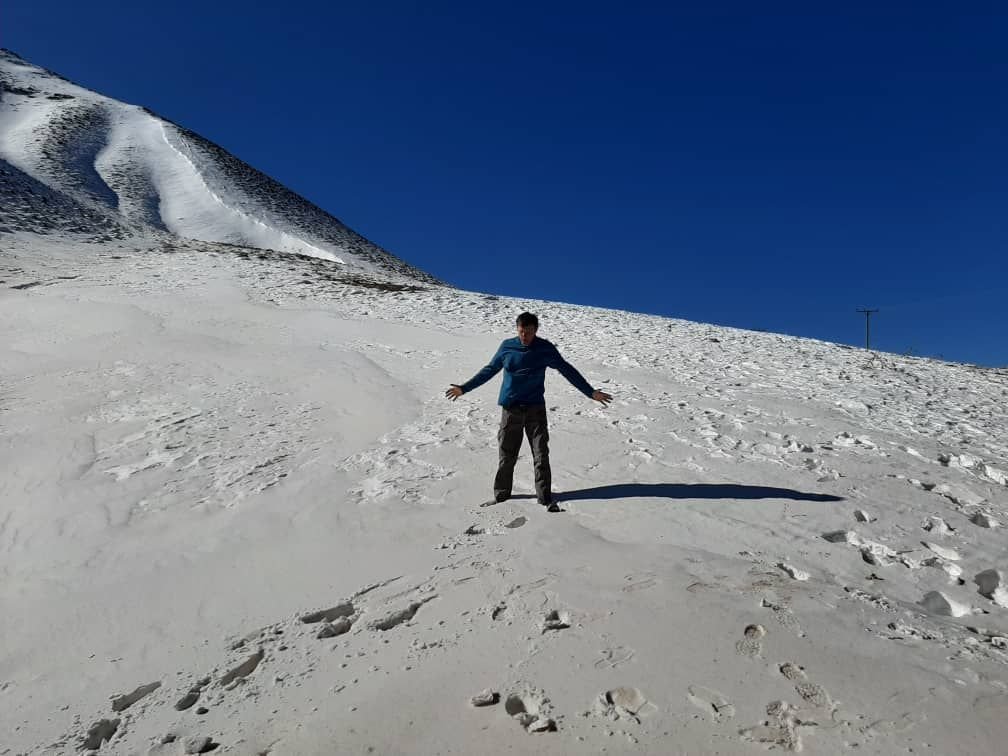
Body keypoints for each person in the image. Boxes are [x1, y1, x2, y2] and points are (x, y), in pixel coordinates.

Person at [446, 312, 613, 512]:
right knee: (507, 455)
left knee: (541, 454)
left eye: (529, 332)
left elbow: (566, 369)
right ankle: (501, 497)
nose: (525, 336)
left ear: (536, 330)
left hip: (535, 409)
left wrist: (590, 392)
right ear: (517, 329)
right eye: (522, 332)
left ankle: (545, 498)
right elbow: (489, 370)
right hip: (511, 409)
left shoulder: (545, 348)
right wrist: (464, 388)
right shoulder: (507, 347)